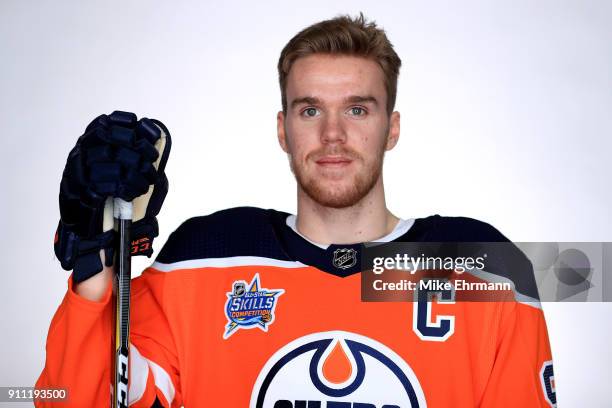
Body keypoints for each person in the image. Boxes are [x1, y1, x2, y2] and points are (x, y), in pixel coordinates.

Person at [36, 13, 556, 407]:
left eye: (357, 109)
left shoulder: (486, 267)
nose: (333, 134)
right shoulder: (203, 258)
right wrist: (97, 279)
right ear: (283, 129)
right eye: (310, 110)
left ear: (391, 128)